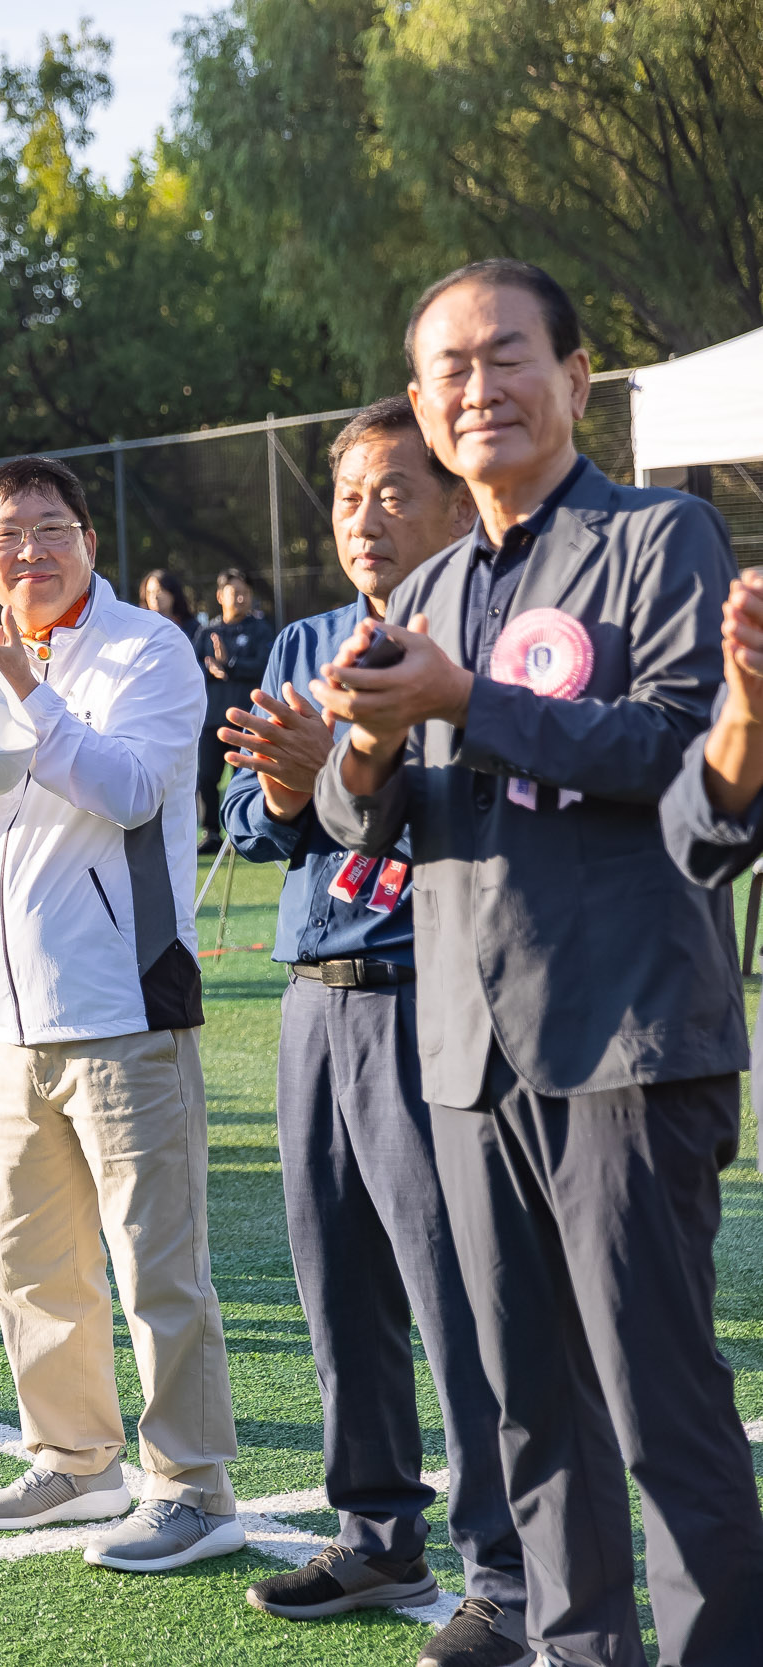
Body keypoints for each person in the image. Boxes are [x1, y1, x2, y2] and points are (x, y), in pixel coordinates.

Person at [318, 259, 762, 1667]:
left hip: (625, 1035)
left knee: (661, 1410)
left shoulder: (657, 534)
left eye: (506, 355)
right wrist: (366, 746)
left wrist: (465, 698)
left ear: (575, 380)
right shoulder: (434, 582)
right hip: (466, 1049)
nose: (476, 384)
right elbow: (359, 812)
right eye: (448, 366)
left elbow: (671, 753)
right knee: (531, 1417)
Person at [216, 397, 529, 1667]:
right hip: (314, 998)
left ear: (458, 500)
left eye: (396, 490)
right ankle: (375, 1529)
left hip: (433, 998)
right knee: (337, 1285)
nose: (367, 517)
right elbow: (242, 815)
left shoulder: (493, 637)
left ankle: (507, 1579)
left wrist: (361, 769)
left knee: (458, 1300)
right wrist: (290, 782)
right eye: (349, 496)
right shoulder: (297, 638)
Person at [0, 454, 244, 1562]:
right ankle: (72, 1458)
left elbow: (134, 789)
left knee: (157, 1263)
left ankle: (190, 1484)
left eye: (51, 529)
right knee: (32, 1262)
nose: (30, 552)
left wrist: (27, 688)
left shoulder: (148, 648)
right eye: (8, 536)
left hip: (124, 1007)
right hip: (10, 1022)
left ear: (90, 541)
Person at [196, 568, 272, 844]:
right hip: (212, 721)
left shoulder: (260, 630)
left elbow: (264, 666)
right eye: (234, 592)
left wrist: (230, 665)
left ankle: (251, 831)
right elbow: (191, 670)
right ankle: (211, 833)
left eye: (245, 593)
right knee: (206, 778)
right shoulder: (207, 632)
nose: (241, 598)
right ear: (220, 596)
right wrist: (211, 669)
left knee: (249, 779)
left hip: (246, 721)